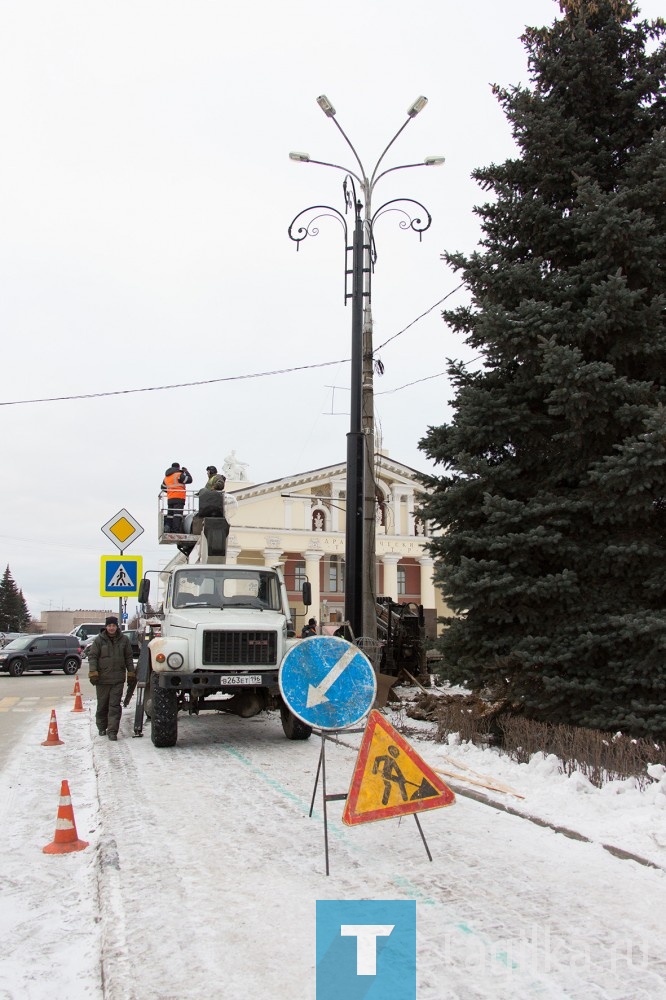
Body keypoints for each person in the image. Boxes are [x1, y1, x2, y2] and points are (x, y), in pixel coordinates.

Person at [87, 616, 135, 741]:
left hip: (118, 679)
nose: (111, 628)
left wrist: (131, 672)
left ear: (117, 626)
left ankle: (112, 731)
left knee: (114, 706)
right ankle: (102, 727)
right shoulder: (99, 640)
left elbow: (129, 658)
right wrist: (93, 672)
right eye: (109, 626)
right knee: (102, 705)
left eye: (113, 626)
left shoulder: (124, 640)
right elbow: (92, 657)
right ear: (106, 627)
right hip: (102, 679)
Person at [161, 461, 192, 532]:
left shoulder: (166, 477)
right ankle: (175, 530)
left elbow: (162, 487)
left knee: (170, 515)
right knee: (177, 515)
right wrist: (186, 472)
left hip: (170, 498)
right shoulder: (179, 474)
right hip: (179, 497)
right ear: (178, 467)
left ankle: (168, 528)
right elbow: (189, 480)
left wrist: (170, 491)